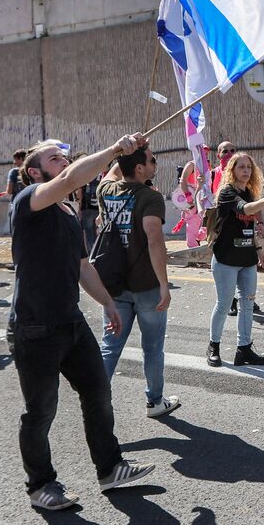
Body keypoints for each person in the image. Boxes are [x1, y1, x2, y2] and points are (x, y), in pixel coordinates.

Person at [10, 136, 158, 511]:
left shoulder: (67, 212)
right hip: (35, 327)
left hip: (70, 323)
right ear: (35, 171)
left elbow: (81, 266)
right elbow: (68, 180)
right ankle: (40, 485)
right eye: (54, 158)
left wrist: (107, 303)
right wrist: (113, 150)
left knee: (97, 392)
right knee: (40, 411)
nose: (63, 162)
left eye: (63, 156)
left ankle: (110, 469)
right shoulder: (29, 201)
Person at [96, 146, 180, 418]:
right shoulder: (150, 198)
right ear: (140, 168)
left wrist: (126, 149)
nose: (155, 165)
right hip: (146, 285)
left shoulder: (105, 191)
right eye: (151, 161)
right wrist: (164, 284)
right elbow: (155, 240)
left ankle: (94, 401)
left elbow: (112, 172)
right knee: (152, 348)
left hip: (113, 284)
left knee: (110, 347)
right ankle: (155, 402)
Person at [205, 152, 264, 368]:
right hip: (226, 258)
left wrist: (258, 249)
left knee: (248, 303)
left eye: (248, 167)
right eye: (241, 167)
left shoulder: (249, 193)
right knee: (224, 304)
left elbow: (248, 225)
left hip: (247, 258)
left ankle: (243, 349)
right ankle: (213, 347)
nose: (246, 170)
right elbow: (245, 210)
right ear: (232, 171)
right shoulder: (227, 193)